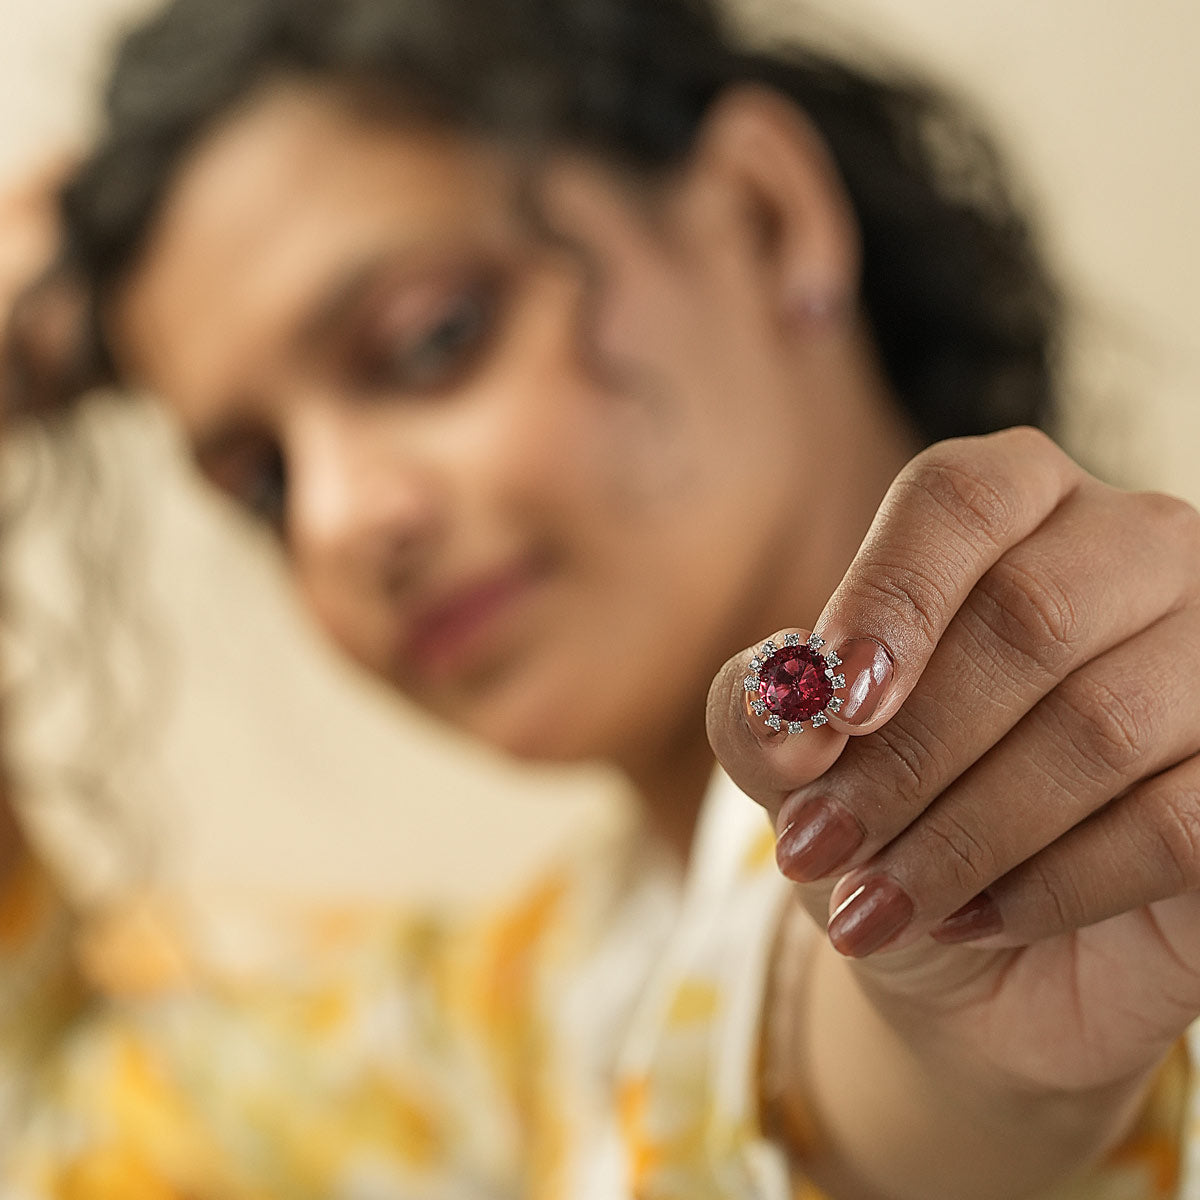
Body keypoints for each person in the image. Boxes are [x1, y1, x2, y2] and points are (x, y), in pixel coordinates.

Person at [4, 0, 1200, 1195]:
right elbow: (68, 1089)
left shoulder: (1159, 780)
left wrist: (961, 1056)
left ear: (763, 217)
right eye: (261, 482)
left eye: (431, 340)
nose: (337, 520)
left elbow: (920, 1055)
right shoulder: (495, 1038)